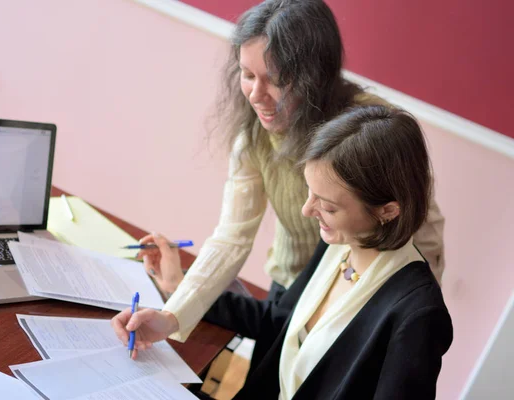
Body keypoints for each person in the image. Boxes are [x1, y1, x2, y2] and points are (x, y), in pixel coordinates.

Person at [141, 0, 445, 343]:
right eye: (248, 75)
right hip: (290, 284)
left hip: (359, 294)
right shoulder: (253, 137)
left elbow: (424, 232)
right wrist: (172, 315)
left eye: (276, 80)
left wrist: (411, 313)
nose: (257, 96)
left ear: (315, 76)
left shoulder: (372, 131)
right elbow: (232, 236)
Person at [112, 105, 453, 399]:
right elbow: (277, 320)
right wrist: (171, 315)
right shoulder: (341, 245)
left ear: (388, 210)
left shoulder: (418, 316)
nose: (307, 210)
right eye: (310, 192)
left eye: (329, 207)